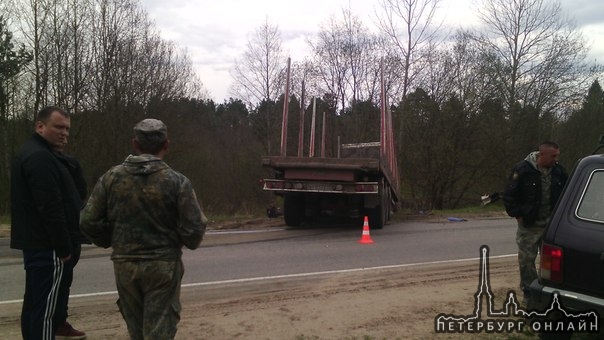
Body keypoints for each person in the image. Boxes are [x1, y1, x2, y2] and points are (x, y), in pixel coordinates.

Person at [80, 118, 207, 340]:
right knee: (159, 331)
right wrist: (176, 239)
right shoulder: (177, 182)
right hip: (163, 266)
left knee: (136, 330)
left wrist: (113, 239)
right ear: (166, 145)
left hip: (125, 264)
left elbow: (87, 221)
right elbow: (195, 229)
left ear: (135, 144)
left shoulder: (111, 178)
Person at [10, 106, 86, 339]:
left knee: (35, 303)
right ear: (40, 126)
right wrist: (63, 249)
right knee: (44, 310)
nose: (64, 133)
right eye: (58, 127)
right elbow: (50, 208)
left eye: (67, 129)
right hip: (48, 245)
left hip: (39, 243)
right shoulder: (40, 157)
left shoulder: (37, 153)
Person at [503, 141, 568, 301]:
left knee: (551, 262)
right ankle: (529, 292)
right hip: (530, 225)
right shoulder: (522, 170)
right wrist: (518, 214)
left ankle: (547, 291)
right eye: (553, 156)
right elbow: (509, 195)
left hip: (552, 225)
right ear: (541, 155)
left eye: (557, 156)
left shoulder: (559, 171)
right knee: (526, 260)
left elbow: (568, 193)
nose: (556, 159)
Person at [53, 149, 88, 339]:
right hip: (63, 232)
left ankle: (59, 324)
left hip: (70, 231)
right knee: (59, 282)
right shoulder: (67, 163)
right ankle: (56, 324)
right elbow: (82, 192)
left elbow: (82, 191)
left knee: (63, 281)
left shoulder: (70, 162)